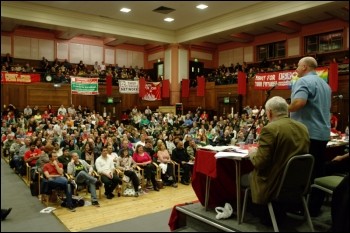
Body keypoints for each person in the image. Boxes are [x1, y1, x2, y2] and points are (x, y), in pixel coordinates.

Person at [242, 96, 310, 225]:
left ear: (270, 112)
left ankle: (252, 212)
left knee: (244, 178)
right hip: (297, 182)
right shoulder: (303, 127)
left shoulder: (270, 129)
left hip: (274, 182)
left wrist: (252, 153)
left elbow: (260, 163)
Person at [288, 56, 332, 217]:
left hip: (307, 134)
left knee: (300, 171)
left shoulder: (303, 82)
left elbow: (299, 103)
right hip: (322, 133)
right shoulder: (325, 85)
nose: (296, 69)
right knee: (318, 170)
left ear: (305, 67)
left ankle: (299, 206)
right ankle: (315, 207)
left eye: (298, 66)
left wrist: (284, 107)